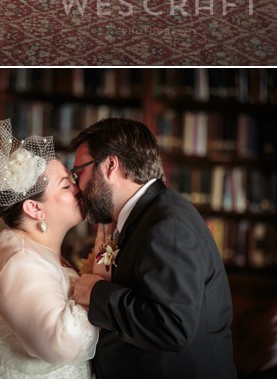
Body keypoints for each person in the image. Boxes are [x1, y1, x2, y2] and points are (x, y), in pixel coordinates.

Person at [70, 118, 236, 378]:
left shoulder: (166, 224)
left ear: (110, 165)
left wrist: (97, 293)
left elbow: (172, 325)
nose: (77, 188)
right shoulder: (146, 215)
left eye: (78, 172)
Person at [0, 119, 98, 378]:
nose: (78, 187)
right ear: (34, 208)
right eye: (65, 185)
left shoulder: (37, 249)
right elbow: (62, 344)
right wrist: (96, 284)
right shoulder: (19, 260)